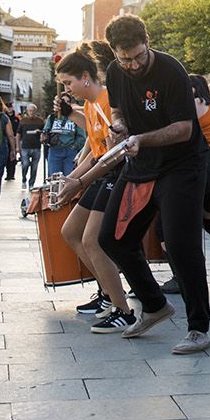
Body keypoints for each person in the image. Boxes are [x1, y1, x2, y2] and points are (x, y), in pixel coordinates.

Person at [96, 14, 210, 356]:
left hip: (182, 166)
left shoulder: (170, 70)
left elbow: (184, 129)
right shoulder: (116, 71)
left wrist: (142, 138)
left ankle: (198, 328)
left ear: (147, 43)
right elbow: (117, 110)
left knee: (180, 243)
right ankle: (154, 305)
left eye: (137, 56)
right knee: (112, 238)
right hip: (141, 164)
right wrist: (119, 126)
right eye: (124, 58)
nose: (132, 65)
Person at [50, 42, 134, 332]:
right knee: (70, 232)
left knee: (92, 240)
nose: (66, 89)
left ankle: (123, 309)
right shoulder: (90, 104)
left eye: (68, 82)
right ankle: (108, 293)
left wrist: (78, 181)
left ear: (85, 77)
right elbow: (95, 150)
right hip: (103, 171)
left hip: (118, 172)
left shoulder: (109, 101)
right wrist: (71, 179)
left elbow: (112, 155)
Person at [164, 75, 210, 294]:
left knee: (168, 225)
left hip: (204, 166)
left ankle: (181, 277)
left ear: (192, 89)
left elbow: (179, 132)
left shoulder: (194, 103)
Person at [43, 94, 86, 179]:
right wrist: (45, 137)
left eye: (67, 102)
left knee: (69, 177)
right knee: (54, 178)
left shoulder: (74, 117)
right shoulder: (52, 117)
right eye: (63, 101)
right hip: (55, 150)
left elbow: (81, 136)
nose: (65, 104)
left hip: (70, 151)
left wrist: (74, 146)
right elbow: (46, 131)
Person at [18, 105, 43, 189]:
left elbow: (44, 132)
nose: (31, 113)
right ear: (27, 111)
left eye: (33, 111)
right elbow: (18, 134)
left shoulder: (40, 121)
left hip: (36, 147)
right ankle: (24, 179)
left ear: (36, 111)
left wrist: (40, 133)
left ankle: (31, 183)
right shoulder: (23, 121)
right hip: (25, 146)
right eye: (29, 111)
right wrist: (17, 147)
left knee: (34, 167)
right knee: (25, 164)